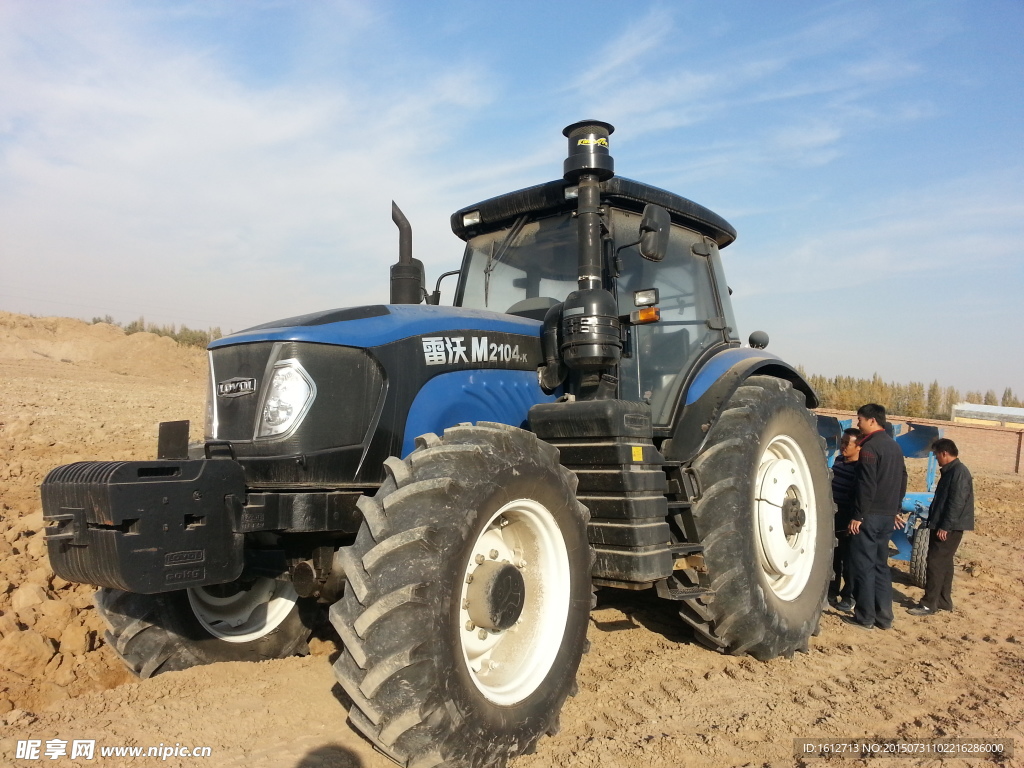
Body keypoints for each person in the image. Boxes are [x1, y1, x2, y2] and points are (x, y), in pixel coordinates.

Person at [843, 404, 907, 631]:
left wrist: (858, 515)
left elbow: (866, 484)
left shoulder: (870, 448)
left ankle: (865, 617)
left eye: (859, 419)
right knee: (881, 565)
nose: (857, 423)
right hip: (887, 516)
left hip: (869, 516)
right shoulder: (894, 447)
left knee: (864, 566)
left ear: (871, 421)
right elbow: (903, 479)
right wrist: (896, 509)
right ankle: (884, 617)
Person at [908, 439, 974, 616]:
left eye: (936, 454)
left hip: (948, 527)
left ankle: (929, 604)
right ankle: (944, 601)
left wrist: (945, 526)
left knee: (935, 563)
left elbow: (956, 503)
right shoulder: (952, 471)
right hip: (947, 525)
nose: (936, 458)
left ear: (944, 453)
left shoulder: (959, 472)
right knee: (944, 562)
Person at [829, 427, 861, 610]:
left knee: (849, 560)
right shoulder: (839, 460)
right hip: (834, 513)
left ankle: (848, 596)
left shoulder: (860, 468)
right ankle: (832, 591)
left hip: (849, 517)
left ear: (858, 447)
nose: (842, 447)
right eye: (842, 442)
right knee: (833, 555)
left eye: (846, 444)